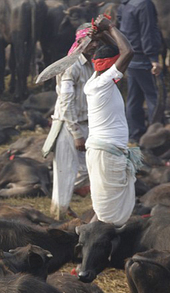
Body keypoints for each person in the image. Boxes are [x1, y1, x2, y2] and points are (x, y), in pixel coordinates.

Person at [84, 17, 142, 226]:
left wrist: (102, 36)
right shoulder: (105, 84)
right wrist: (110, 27)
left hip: (105, 151)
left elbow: (118, 52)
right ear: (112, 67)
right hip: (107, 153)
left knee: (106, 204)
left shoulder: (96, 81)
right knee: (110, 213)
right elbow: (128, 52)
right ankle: (94, 243)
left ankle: (89, 239)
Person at [47, 24, 97, 221]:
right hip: (68, 125)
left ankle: (63, 209)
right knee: (65, 175)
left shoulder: (91, 64)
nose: (94, 46)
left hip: (86, 123)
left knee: (87, 171)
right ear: (82, 42)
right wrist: (76, 133)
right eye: (91, 42)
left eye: (96, 42)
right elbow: (66, 103)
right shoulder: (70, 67)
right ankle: (56, 219)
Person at [117, 0, 163, 144]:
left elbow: (120, 25)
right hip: (143, 57)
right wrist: (153, 58)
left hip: (130, 57)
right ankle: (155, 135)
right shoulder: (144, 4)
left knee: (134, 97)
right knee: (155, 96)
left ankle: (135, 134)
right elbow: (147, 31)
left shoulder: (125, 4)